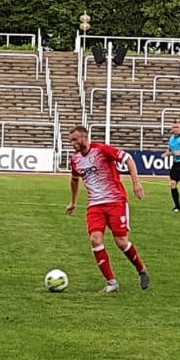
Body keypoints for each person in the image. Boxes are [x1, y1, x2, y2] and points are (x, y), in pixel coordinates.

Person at [65, 125, 150, 293]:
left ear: (85, 137)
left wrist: (136, 182)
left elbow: (128, 159)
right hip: (95, 205)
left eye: (75, 140)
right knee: (95, 239)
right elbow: (75, 180)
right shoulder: (75, 159)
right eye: (71, 140)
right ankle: (112, 282)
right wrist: (73, 202)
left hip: (116, 201)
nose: (72, 143)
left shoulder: (102, 150)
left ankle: (142, 270)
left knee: (121, 242)